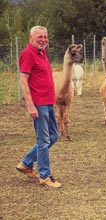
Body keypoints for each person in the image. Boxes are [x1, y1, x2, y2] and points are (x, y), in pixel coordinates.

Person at [16, 25, 61, 188]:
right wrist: (30, 105)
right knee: (43, 140)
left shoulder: (42, 52)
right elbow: (23, 80)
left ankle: (26, 163)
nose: (43, 40)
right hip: (38, 104)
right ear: (31, 38)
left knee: (54, 136)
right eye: (39, 37)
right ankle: (45, 176)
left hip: (48, 102)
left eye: (45, 37)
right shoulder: (27, 53)